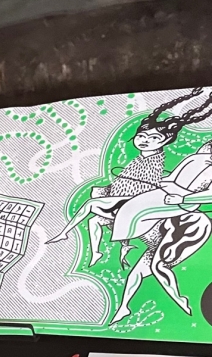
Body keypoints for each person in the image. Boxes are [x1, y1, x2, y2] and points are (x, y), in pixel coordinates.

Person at [48, 88, 212, 265]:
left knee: (92, 204)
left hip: (140, 199)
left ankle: (64, 233)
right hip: (131, 196)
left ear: (165, 141)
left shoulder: (156, 159)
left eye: (154, 138)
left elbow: (147, 186)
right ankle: (97, 253)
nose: (145, 140)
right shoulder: (142, 157)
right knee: (94, 220)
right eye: (141, 136)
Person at [108, 139, 212, 322]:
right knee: (137, 271)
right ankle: (123, 308)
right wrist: (161, 184)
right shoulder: (199, 157)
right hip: (168, 213)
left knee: (158, 265)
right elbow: (173, 178)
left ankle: (181, 302)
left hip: (190, 222)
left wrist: (184, 197)